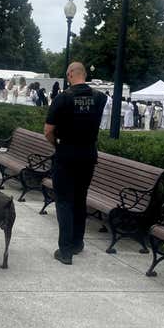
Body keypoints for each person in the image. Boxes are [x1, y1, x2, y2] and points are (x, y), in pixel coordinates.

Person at [44, 61, 106, 264]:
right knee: (80, 199)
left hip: (66, 155)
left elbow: (48, 131)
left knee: (63, 201)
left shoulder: (62, 98)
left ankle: (65, 250)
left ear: (70, 75)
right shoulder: (100, 98)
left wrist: (57, 146)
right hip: (87, 155)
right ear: (85, 74)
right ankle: (77, 242)